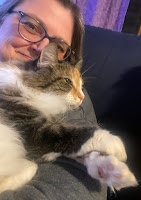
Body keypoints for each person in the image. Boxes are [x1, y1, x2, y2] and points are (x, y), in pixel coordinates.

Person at [0, 0, 107, 199]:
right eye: (31, 26)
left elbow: (79, 187)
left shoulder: (69, 101)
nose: (41, 49)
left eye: (58, 47)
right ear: (2, 18)